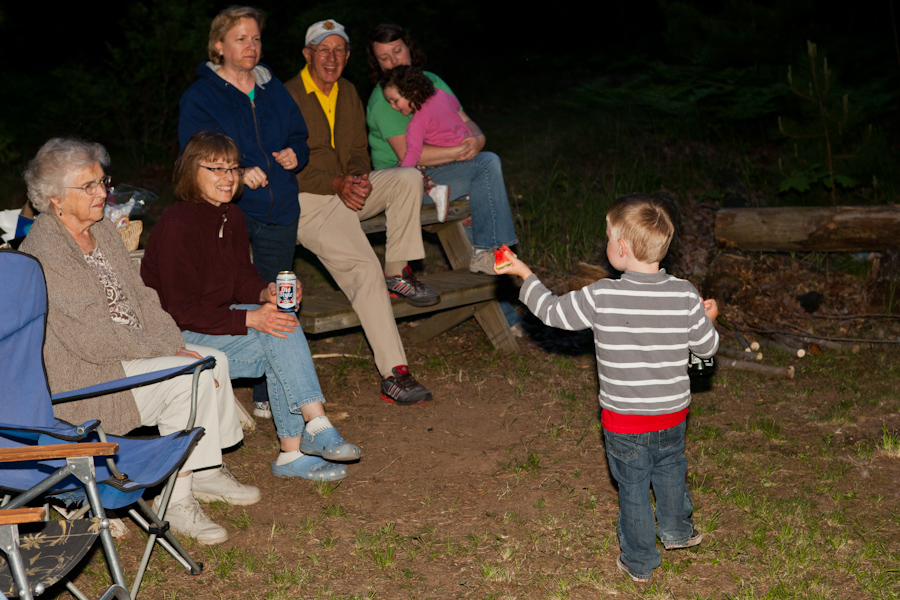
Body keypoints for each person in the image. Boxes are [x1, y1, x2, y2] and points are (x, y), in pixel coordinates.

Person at [20, 138, 259, 546]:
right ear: (55, 198)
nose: (103, 193)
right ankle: (176, 499)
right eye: (89, 186)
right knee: (188, 375)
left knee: (213, 359)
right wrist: (165, 350)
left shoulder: (101, 232)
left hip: (130, 352)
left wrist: (170, 339)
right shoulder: (46, 250)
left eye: (103, 181)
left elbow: (144, 296)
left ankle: (203, 471)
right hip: (87, 377)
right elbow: (93, 342)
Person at [495, 194, 720, 583]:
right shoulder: (684, 294)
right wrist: (709, 319)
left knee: (633, 487)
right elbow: (706, 348)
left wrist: (525, 275)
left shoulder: (602, 295)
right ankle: (678, 531)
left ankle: (639, 561)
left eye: (607, 237)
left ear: (621, 248)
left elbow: (550, 312)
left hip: (625, 422)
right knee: (670, 470)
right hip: (672, 415)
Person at [141, 131, 360, 483]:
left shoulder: (232, 216)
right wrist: (249, 318)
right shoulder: (176, 226)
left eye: (233, 168)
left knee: (279, 324)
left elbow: (242, 277)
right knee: (274, 330)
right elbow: (180, 310)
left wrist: (265, 293)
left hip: (213, 323)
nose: (227, 178)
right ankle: (311, 431)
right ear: (190, 172)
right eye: (215, 168)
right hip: (177, 336)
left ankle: (295, 450)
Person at [283, 19, 437, 406]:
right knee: (363, 269)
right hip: (310, 201)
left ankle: (398, 271)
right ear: (307, 54)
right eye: (323, 49)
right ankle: (394, 374)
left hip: (347, 190)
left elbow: (355, 150)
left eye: (339, 50)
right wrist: (337, 183)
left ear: (348, 57)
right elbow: (289, 162)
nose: (331, 57)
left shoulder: (349, 91)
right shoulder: (285, 96)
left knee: (406, 177)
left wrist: (357, 178)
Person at [178, 5, 309, 420]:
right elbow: (196, 152)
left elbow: (300, 136)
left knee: (275, 291)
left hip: (279, 206)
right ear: (219, 45)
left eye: (255, 39)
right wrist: (237, 172)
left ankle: (270, 390)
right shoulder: (202, 96)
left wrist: (296, 153)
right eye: (241, 39)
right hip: (229, 209)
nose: (251, 46)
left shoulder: (273, 89)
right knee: (225, 289)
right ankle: (218, 377)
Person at [365, 24, 518, 276]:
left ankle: (492, 268)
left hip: (441, 170)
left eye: (397, 51)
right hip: (405, 181)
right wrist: (463, 151)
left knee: (483, 172)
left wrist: (478, 139)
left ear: (409, 49)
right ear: (377, 64)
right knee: (485, 166)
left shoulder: (432, 81)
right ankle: (494, 251)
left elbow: (464, 119)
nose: (393, 61)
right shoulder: (386, 98)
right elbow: (410, 157)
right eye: (384, 57)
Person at [381, 65, 471, 169]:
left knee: (402, 164)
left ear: (412, 92)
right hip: (467, 144)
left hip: (447, 162)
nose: (392, 106)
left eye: (395, 101)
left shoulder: (417, 122)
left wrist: (403, 174)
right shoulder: (440, 93)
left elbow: (413, 153)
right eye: (390, 102)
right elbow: (456, 105)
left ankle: (433, 186)